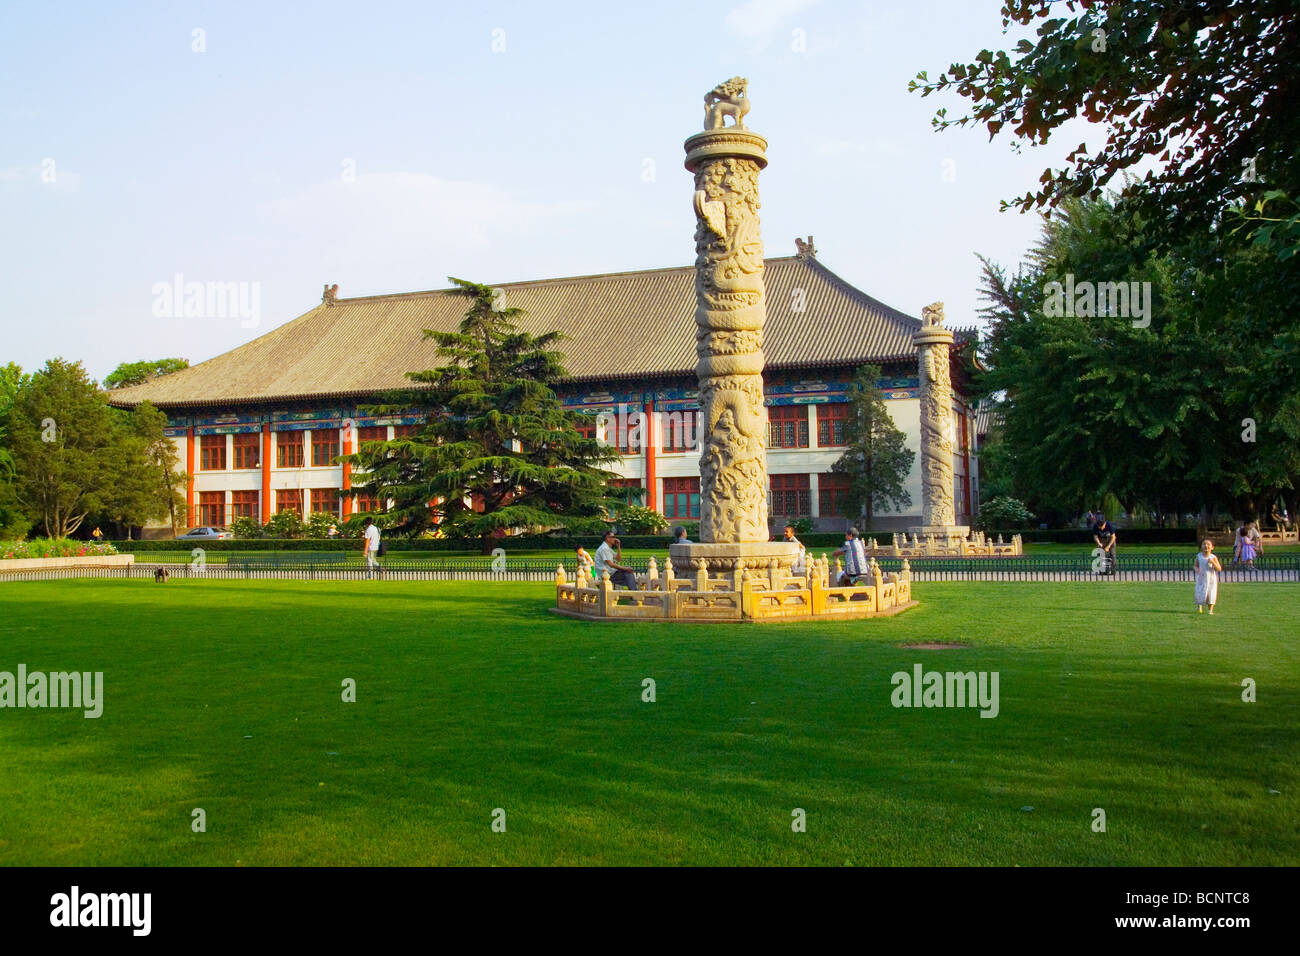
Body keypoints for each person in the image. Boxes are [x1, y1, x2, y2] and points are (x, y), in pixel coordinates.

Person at [1192, 539, 1222, 614]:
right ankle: (1199, 606)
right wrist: (1197, 570)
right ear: (1201, 546)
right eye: (1204, 544)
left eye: (1208, 544)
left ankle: (1210, 610)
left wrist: (1213, 562)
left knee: (1211, 593)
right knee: (1200, 592)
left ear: (1212, 547)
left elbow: (1219, 568)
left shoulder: (1213, 557)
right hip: (1201, 578)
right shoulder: (1199, 556)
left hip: (1211, 579)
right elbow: (1195, 566)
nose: (1206, 546)